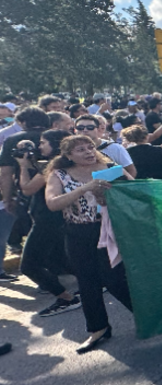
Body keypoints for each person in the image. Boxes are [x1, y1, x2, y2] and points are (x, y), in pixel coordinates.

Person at [45, 135, 134, 353]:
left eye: (90, 147)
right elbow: (53, 203)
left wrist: (109, 195)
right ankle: (98, 328)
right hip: (78, 232)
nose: (88, 152)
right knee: (87, 282)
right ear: (68, 156)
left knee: (114, 277)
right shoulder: (60, 174)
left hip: (108, 230)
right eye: (80, 150)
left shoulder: (111, 167)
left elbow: (135, 191)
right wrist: (84, 188)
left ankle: (148, 313)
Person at [15, 130, 78, 316]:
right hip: (58, 218)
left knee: (29, 265)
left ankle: (66, 298)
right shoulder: (69, 163)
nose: (39, 146)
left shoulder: (52, 167)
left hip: (46, 221)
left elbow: (27, 189)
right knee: (60, 259)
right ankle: (97, 283)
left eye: (43, 142)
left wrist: (23, 166)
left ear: (55, 145)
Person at [0, 105, 51, 274]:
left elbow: (6, 173)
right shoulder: (53, 137)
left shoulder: (13, 139)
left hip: (28, 190)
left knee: (34, 234)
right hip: (58, 190)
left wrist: (7, 198)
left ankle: (42, 273)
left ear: (22, 122)